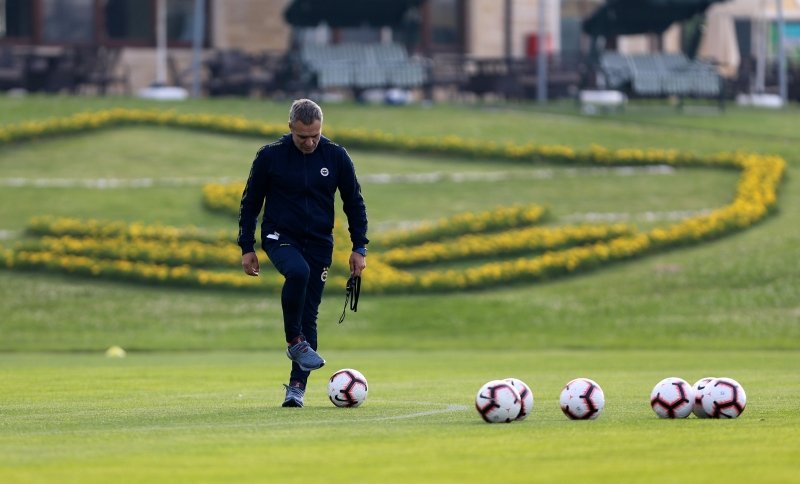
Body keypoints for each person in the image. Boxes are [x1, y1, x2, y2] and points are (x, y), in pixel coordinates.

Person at [238, 99, 369, 408]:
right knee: (298, 272)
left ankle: (296, 387)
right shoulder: (270, 157)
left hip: (320, 242)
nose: (310, 142)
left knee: (309, 313)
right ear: (290, 129)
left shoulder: (336, 156)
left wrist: (359, 246)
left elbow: (354, 203)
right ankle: (294, 341)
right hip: (279, 236)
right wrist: (247, 247)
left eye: (315, 136)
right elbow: (250, 203)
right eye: (302, 137)